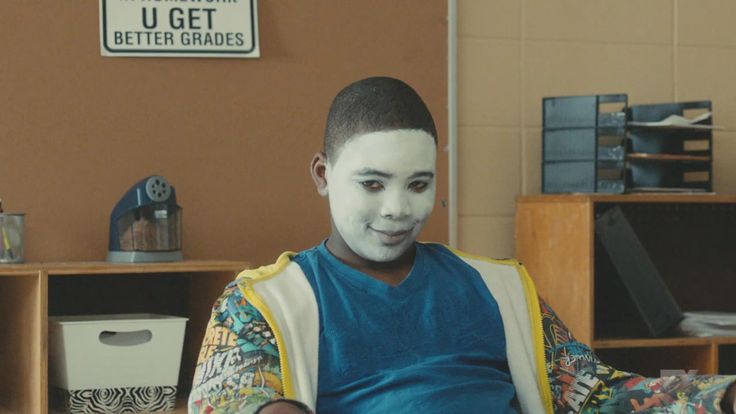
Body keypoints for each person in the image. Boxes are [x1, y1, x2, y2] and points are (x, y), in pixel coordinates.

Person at [188, 77, 736, 414]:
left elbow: (592, 393)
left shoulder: (500, 288)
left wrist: (722, 397)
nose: (397, 208)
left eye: (419, 185)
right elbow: (231, 398)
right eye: (372, 184)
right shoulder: (263, 302)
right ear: (322, 174)